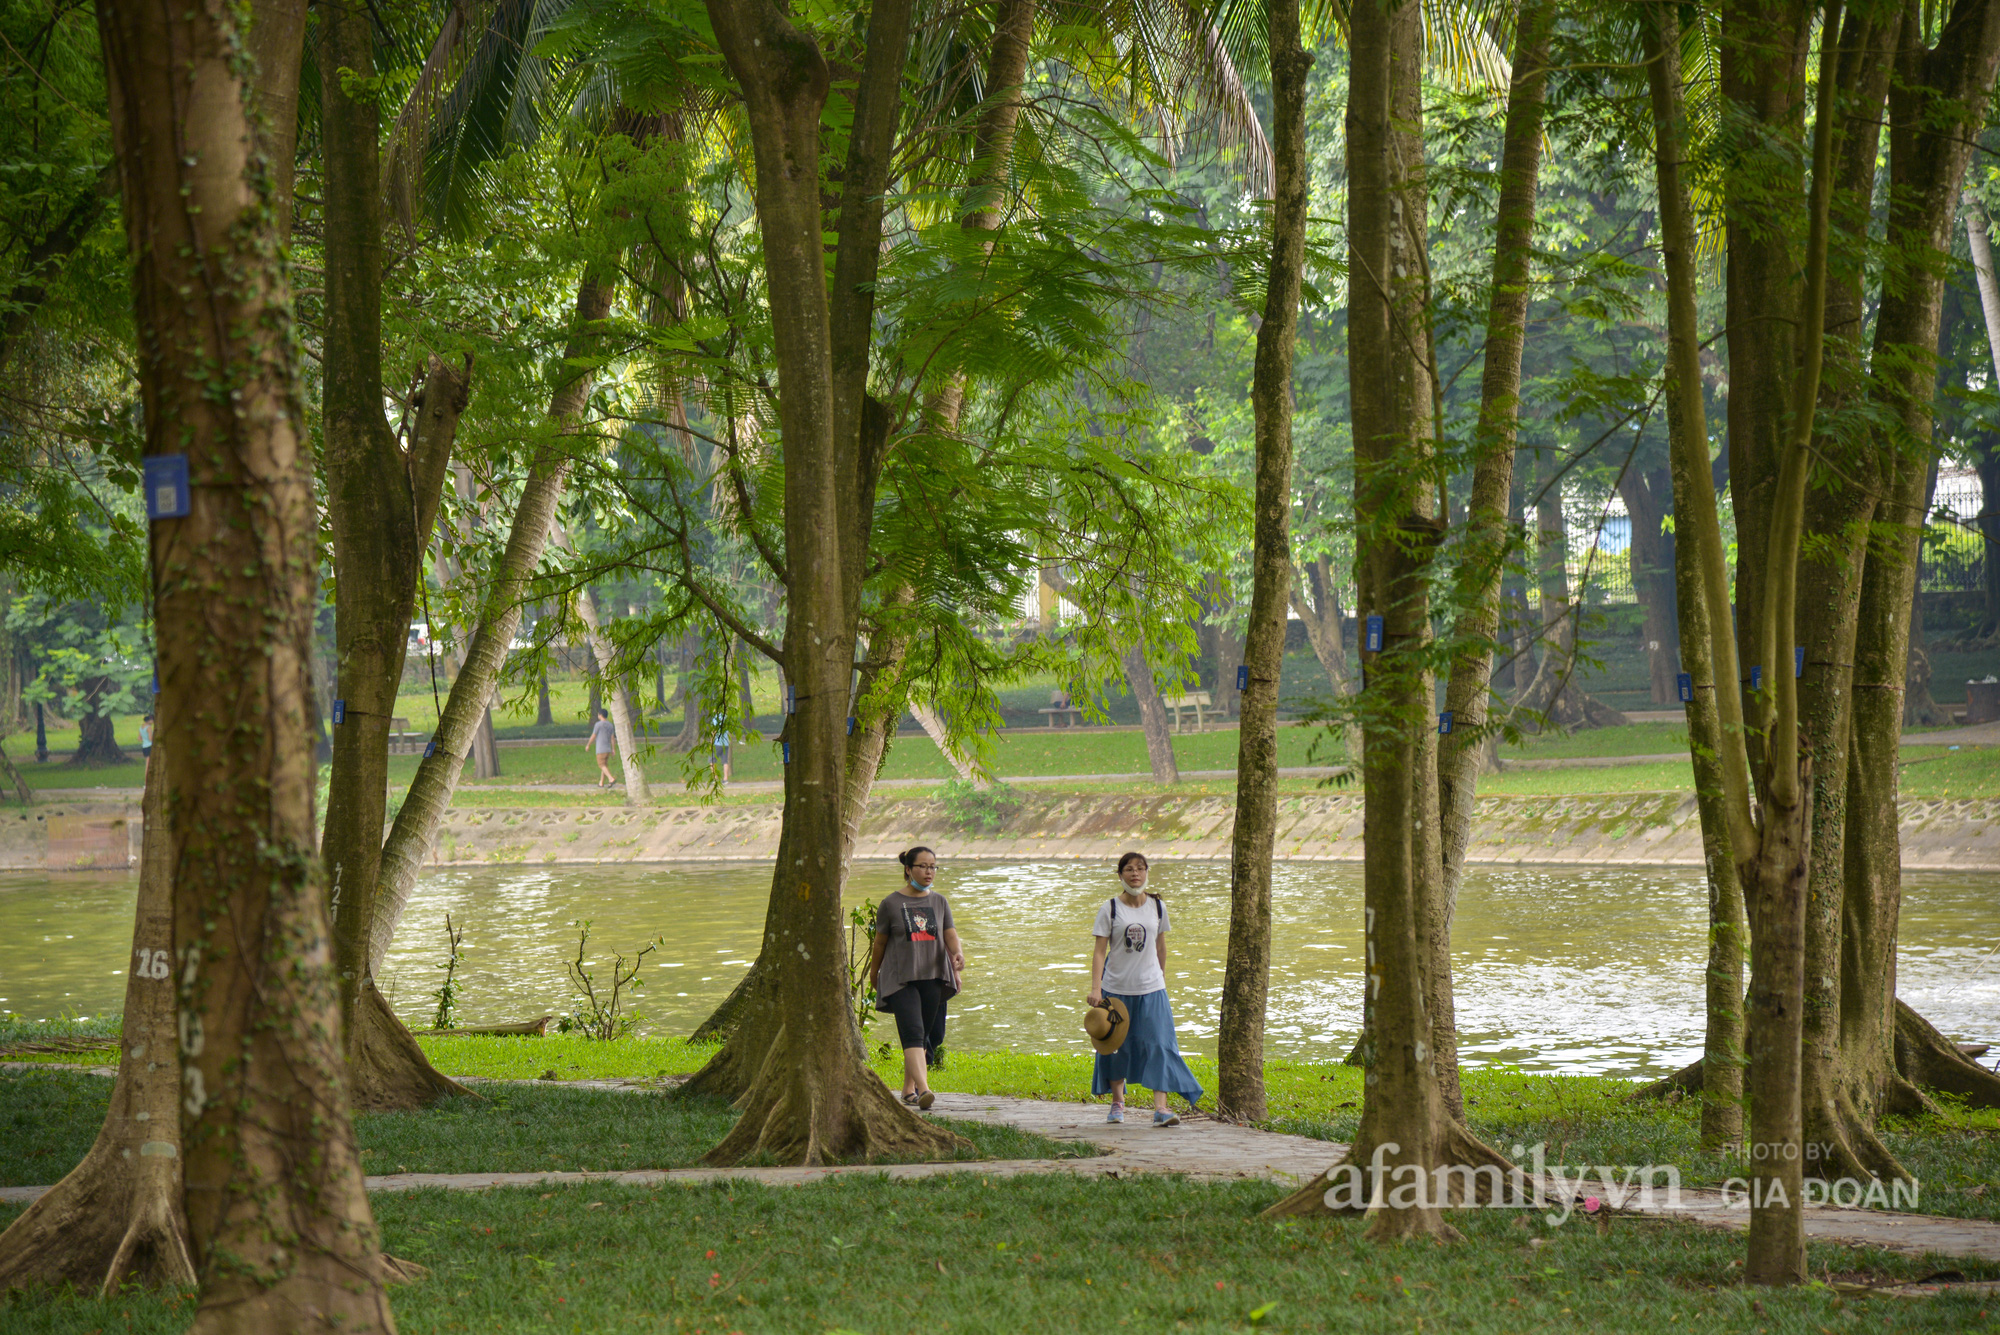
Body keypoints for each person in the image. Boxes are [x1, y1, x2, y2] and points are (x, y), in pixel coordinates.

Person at [1088, 851, 1202, 1125]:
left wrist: (1160, 978)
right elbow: (1099, 952)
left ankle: (1161, 1109)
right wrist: (1096, 988)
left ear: (1147, 873)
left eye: (1140, 868)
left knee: (1160, 1044)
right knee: (1116, 1047)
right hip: (1116, 989)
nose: (1135, 873)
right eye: (1128, 869)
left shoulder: (1158, 907)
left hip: (1152, 989)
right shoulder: (1111, 908)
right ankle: (1117, 1104)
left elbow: (1161, 946)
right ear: (1120, 875)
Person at [867, 846, 964, 1109]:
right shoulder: (891, 904)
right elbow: (879, 943)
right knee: (912, 1031)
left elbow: (950, 934)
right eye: (923, 866)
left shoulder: (940, 902)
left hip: (932, 975)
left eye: (933, 866)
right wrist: (874, 973)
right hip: (900, 978)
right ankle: (924, 1090)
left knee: (924, 1035)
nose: (929, 872)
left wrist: (957, 958)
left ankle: (908, 1089)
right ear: (908, 869)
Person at [586, 707, 617, 787]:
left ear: (600, 715)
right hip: (608, 748)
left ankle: (611, 778)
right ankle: (601, 783)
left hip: (600, 748)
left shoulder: (598, 725)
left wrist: (588, 744)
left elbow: (593, 735)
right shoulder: (610, 725)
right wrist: (613, 749)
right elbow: (612, 738)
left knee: (601, 765)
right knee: (605, 765)